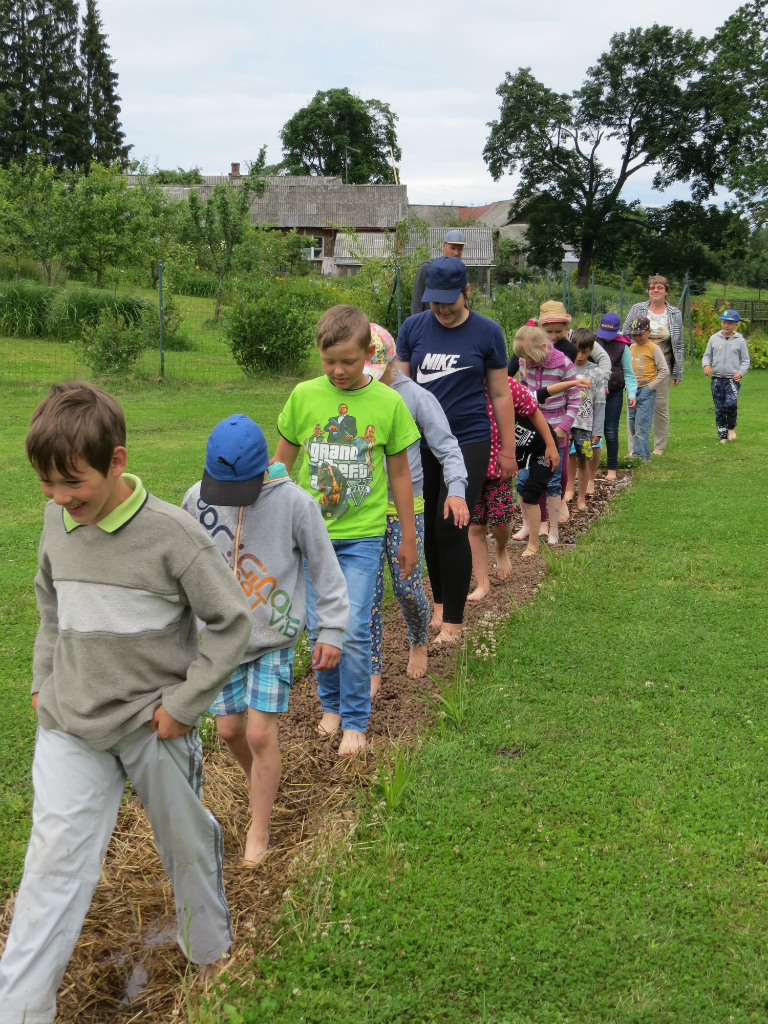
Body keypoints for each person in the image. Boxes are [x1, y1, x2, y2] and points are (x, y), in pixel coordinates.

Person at [0, 383, 254, 1021]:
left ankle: (212, 954)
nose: (60, 499)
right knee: (52, 863)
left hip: (153, 726)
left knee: (186, 845)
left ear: (115, 461)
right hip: (70, 724)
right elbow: (50, 606)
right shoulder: (58, 522)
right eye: (47, 486)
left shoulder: (172, 535)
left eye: (72, 484)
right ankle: (21, 1009)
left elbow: (231, 622)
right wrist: (42, 679)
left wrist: (187, 703)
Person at [182, 415, 349, 867]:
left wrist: (331, 630)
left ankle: (260, 826)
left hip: (272, 638)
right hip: (219, 639)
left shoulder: (296, 505)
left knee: (259, 731)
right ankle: (264, 781)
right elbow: (182, 566)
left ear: (263, 472)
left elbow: (327, 573)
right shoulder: (196, 499)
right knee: (229, 729)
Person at [274, 305, 421, 756]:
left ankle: (356, 719)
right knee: (320, 628)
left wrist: (409, 535)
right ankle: (331, 706)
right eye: (329, 361)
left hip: (362, 537)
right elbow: (280, 467)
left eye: (349, 361)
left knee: (354, 627)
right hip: (311, 538)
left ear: (369, 354)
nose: (338, 370)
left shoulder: (387, 402)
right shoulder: (303, 397)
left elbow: (400, 475)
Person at [396, 256, 516, 642]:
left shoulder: (487, 332)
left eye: (450, 300)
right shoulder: (413, 328)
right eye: (435, 302)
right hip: (419, 442)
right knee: (429, 526)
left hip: (468, 440)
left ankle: (454, 621)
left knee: (453, 525)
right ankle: (439, 603)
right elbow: (396, 388)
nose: (443, 309)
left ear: (467, 291)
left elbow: (500, 394)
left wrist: (508, 450)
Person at [365, 324, 468, 696]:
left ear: (390, 360)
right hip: (362, 513)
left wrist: (456, 489)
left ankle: (418, 639)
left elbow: (447, 447)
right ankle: (372, 667)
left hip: (405, 510)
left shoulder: (416, 398)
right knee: (367, 594)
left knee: (407, 589)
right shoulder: (353, 393)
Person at [470, 370, 560, 578]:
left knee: (500, 520)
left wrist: (550, 444)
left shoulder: (508, 385)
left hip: (500, 467)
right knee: (475, 525)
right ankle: (482, 583)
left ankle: (501, 549)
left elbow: (533, 409)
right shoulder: (462, 385)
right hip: (470, 466)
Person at [512, 324, 581, 544]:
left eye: (529, 357)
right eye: (523, 358)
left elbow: (576, 397)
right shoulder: (524, 361)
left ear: (544, 347)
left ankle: (554, 530)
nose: (526, 362)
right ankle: (526, 525)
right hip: (528, 434)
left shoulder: (564, 364)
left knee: (552, 483)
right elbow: (523, 392)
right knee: (522, 481)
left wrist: (565, 425)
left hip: (556, 430)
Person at [623, 275, 684, 455]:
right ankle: (634, 448)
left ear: (666, 291)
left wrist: (677, 371)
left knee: (660, 407)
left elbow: (678, 343)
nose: (655, 290)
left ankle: (658, 446)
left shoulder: (674, 314)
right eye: (651, 287)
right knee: (633, 406)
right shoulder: (638, 309)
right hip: (638, 367)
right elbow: (626, 334)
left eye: (659, 287)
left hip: (661, 369)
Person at [507, 300, 612, 385]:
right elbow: (508, 373)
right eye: (548, 332)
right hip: (532, 402)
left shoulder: (570, 349)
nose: (553, 336)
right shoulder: (529, 345)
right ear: (540, 328)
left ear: (566, 328)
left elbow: (567, 381)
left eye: (558, 331)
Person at [564, 329, 606, 510]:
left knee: (584, 460)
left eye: (585, 352)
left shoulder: (596, 372)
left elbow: (600, 403)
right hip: (565, 422)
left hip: (585, 425)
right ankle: (568, 490)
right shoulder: (565, 367)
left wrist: (597, 430)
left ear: (591, 350)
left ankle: (582, 497)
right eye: (577, 350)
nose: (580, 355)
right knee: (567, 457)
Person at [594, 312, 637, 480]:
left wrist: (631, 393)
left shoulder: (623, 347)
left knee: (611, 431)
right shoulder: (594, 343)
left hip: (615, 393)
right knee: (591, 431)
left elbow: (629, 373)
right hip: (594, 394)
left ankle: (612, 467)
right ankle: (591, 466)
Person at [702, 309, 750, 442]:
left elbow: (745, 360)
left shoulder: (740, 340)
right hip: (716, 379)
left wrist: (740, 372)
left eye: (729, 323)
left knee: (731, 403)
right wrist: (706, 365)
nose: (726, 325)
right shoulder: (714, 338)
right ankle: (722, 435)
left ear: (736, 325)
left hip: (731, 380)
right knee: (720, 408)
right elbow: (707, 355)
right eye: (724, 322)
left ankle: (731, 428)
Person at [628, 317, 669, 461]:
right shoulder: (631, 348)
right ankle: (636, 453)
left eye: (640, 334)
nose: (637, 337)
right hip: (632, 391)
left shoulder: (653, 348)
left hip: (646, 391)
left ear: (649, 332)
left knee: (642, 425)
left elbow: (664, 370)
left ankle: (642, 457)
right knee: (632, 424)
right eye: (634, 335)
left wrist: (650, 387)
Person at [410, 229, 466, 315]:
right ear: (444, 246)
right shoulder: (428, 267)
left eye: (460, 249)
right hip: (430, 323)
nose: (456, 253)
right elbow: (417, 303)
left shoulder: (461, 272)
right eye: (452, 248)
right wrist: (417, 325)